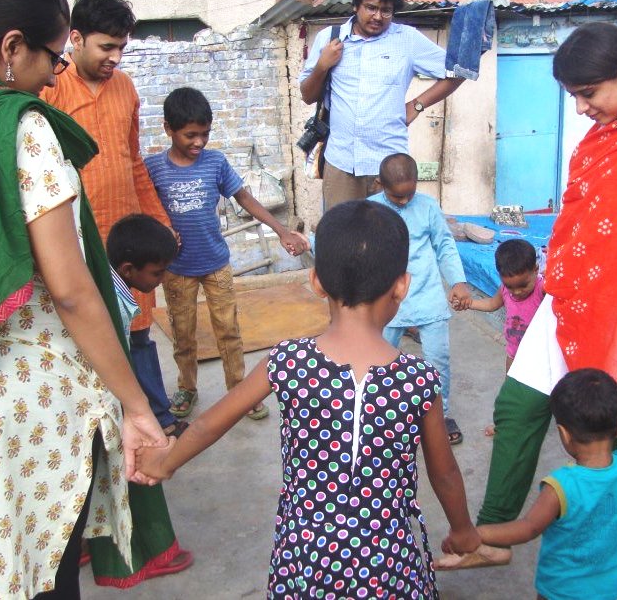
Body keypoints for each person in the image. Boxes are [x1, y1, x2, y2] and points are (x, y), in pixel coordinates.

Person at [0, 0, 167, 598]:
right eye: (53, 57)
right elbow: (72, 289)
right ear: (10, 48)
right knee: (52, 569)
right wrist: (136, 406)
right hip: (36, 386)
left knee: (25, 552)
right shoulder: (17, 127)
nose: (54, 73)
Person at [451, 21, 617, 568]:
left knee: (608, 442)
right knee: (517, 404)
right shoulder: (605, 134)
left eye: (587, 93)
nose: (580, 109)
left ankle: (592, 565)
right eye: (574, 96)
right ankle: (495, 540)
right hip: (573, 298)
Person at [135, 199, 482, 598]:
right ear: (402, 285)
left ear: (316, 282)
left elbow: (210, 423)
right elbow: (445, 473)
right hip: (390, 567)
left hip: (305, 562)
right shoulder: (419, 380)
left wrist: (164, 462)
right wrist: (463, 532)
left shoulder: (286, 361)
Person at [39, 0, 173, 441]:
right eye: (106, 47)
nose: (115, 57)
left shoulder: (126, 87)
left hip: (127, 237)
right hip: (76, 239)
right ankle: (101, 427)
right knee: (90, 331)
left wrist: (159, 222)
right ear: (74, 39)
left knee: (137, 331)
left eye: (121, 47)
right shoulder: (48, 88)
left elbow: (133, 160)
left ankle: (158, 417)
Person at [144, 87, 309, 419]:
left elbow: (244, 198)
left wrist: (281, 230)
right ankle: (187, 388)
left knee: (229, 331)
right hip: (176, 269)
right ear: (168, 129)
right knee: (184, 333)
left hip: (216, 264)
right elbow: (144, 209)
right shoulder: (153, 168)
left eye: (205, 134)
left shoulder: (216, 162)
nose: (199, 142)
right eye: (190, 135)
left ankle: (239, 391)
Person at [472, 360, 617, 600]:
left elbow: (528, 528)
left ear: (564, 434)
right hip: (611, 591)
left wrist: (476, 534)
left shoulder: (561, 486)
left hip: (559, 593)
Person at [299, 0, 464, 211]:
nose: (378, 16)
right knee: (343, 241)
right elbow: (307, 96)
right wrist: (322, 66)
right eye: (371, 7)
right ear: (356, 6)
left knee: (388, 240)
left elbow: (457, 72)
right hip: (342, 163)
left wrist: (417, 105)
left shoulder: (406, 39)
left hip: (389, 165)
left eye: (386, 10)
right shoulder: (329, 38)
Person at [368, 153, 470, 444]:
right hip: (386, 301)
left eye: (409, 194)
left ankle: (442, 413)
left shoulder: (427, 206)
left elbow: (444, 244)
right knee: (380, 360)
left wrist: (458, 282)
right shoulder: (371, 210)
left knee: (439, 359)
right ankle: (379, 412)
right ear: (380, 184)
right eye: (396, 196)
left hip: (427, 296)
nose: (403, 202)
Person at [107, 214, 187, 437]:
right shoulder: (118, 306)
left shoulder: (109, 281)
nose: (161, 280)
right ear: (128, 270)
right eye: (157, 273)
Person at [457, 238, 545, 436]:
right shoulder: (506, 289)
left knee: (541, 394)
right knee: (509, 392)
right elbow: (491, 304)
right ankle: (503, 423)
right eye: (511, 286)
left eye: (523, 285)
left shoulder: (542, 289)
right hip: (514, 354)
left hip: (541, 357)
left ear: (536, 269)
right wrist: (469, 303)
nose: (517, 292)